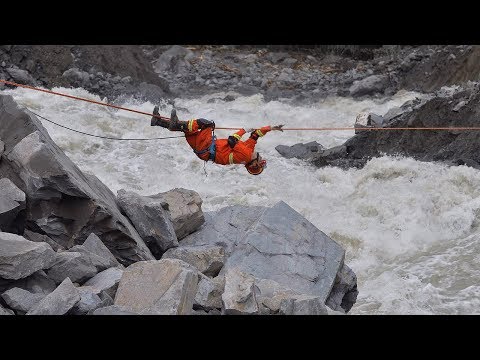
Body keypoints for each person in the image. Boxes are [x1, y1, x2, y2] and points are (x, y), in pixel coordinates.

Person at [151, 106, 284, 175]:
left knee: (206, 124)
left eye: (261, 163)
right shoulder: (249, 151)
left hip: (207, 147)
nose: (262, 160)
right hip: (204, 150)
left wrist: (243, 130)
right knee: (187, 129)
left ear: (254, 164)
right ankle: (158, 122)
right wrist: (271, 128)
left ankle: (172, 124)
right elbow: (256, 135)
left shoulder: (246, 155)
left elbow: (232, 140)